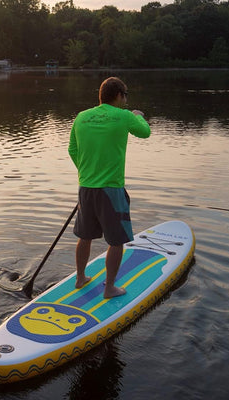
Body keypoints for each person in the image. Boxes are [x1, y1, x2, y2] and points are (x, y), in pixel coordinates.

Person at [68, 77, 151, 298]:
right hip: (111, 189)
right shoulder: (124, 116)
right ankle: (109, 288)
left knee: (84, 236)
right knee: (116, 241)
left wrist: (87, 172)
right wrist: (138, 116)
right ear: (119, 95)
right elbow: (145, 132)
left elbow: (72, 150)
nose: (125, 99)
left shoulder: (81, 117)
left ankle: (79, 278)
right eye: (125, 95)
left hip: (86, 187)